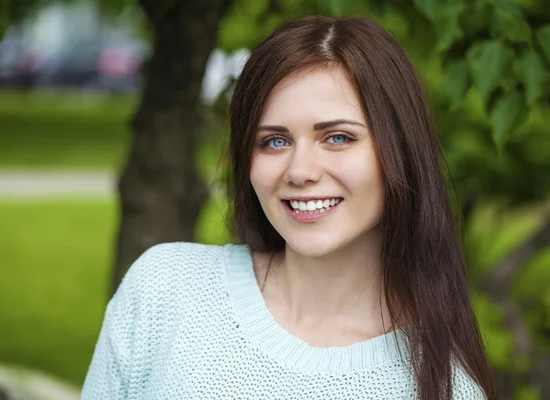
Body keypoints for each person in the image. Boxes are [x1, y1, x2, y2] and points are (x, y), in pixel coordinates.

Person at [81, 16, 498, 400]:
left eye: (337, 138)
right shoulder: (165, 289)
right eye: (275, 141)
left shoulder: (443, 386)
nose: (300, 172)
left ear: (400, 152)